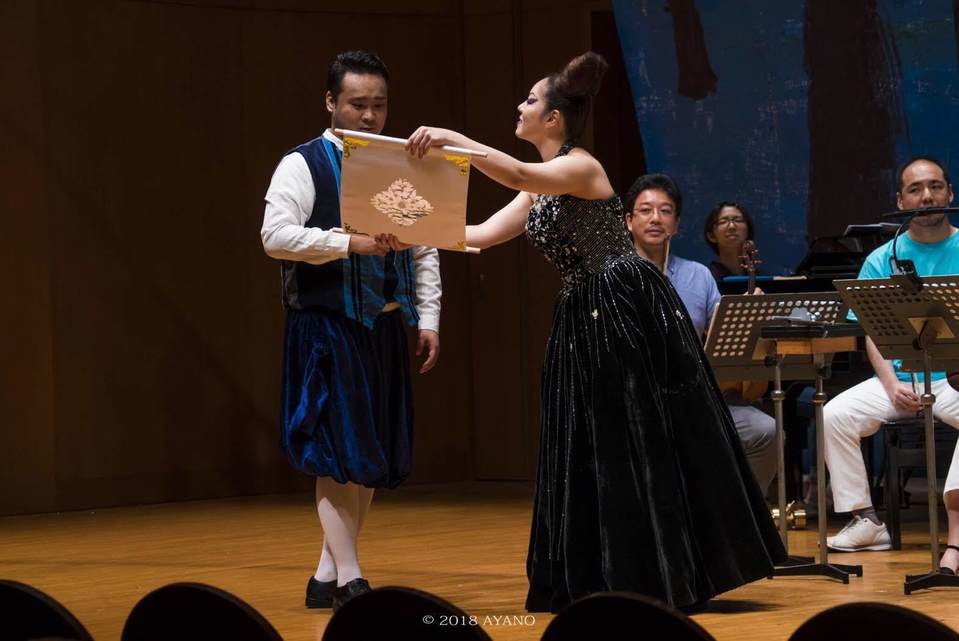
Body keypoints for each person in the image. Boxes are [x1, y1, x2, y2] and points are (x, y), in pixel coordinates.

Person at [404, 51, 784, 613]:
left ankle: (660, 572)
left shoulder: (580, 167)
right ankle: (602, 571)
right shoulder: (541, 186)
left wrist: (450, 138)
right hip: (583, 312)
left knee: (636, 434)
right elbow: (479, 234)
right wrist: (406, 227)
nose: (519, 106)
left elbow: (516, 172)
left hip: (622, 304)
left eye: (530, 100)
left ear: (554, 119)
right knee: (592, 440)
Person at [260, 50, 442, 610]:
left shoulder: (400, 162)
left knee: (367, 456)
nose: (369, 115)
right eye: (357, 104)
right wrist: (347, 242)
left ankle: (325, 575)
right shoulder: (302, 164)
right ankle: (352, 579)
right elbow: (275, 236)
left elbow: (425, 244)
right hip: (326, 328)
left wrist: (429, 317)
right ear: (330, 102)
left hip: (382, 326)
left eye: (378, 104)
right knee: (336, 453)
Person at [822, 156, 959, 574]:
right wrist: (890, 384)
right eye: (916, 189)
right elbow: (872, 331)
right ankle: (865, 519)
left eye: (935, 186)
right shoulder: (883, 258)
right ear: (901, 201)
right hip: (900, 379)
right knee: (834, 415)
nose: (927, 196)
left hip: (954, 379)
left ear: (950, 193)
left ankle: (956, 532)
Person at [623, 174, 777, 495]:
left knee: (765, 430)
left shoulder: (698, 275)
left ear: (676, 224)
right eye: (646, 210)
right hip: (638, 403)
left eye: (665, 211)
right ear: (628, 221)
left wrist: (747, 319)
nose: (655, 218)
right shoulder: (614, 276)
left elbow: (721, 341)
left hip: (697, 400)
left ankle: (739, 516)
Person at [703, 201, 759, 285]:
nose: (732, 226)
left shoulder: (762, 279)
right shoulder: (705, 279)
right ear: (711, 236)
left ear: (748, 231)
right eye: (723, 221)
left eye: (738, 220)